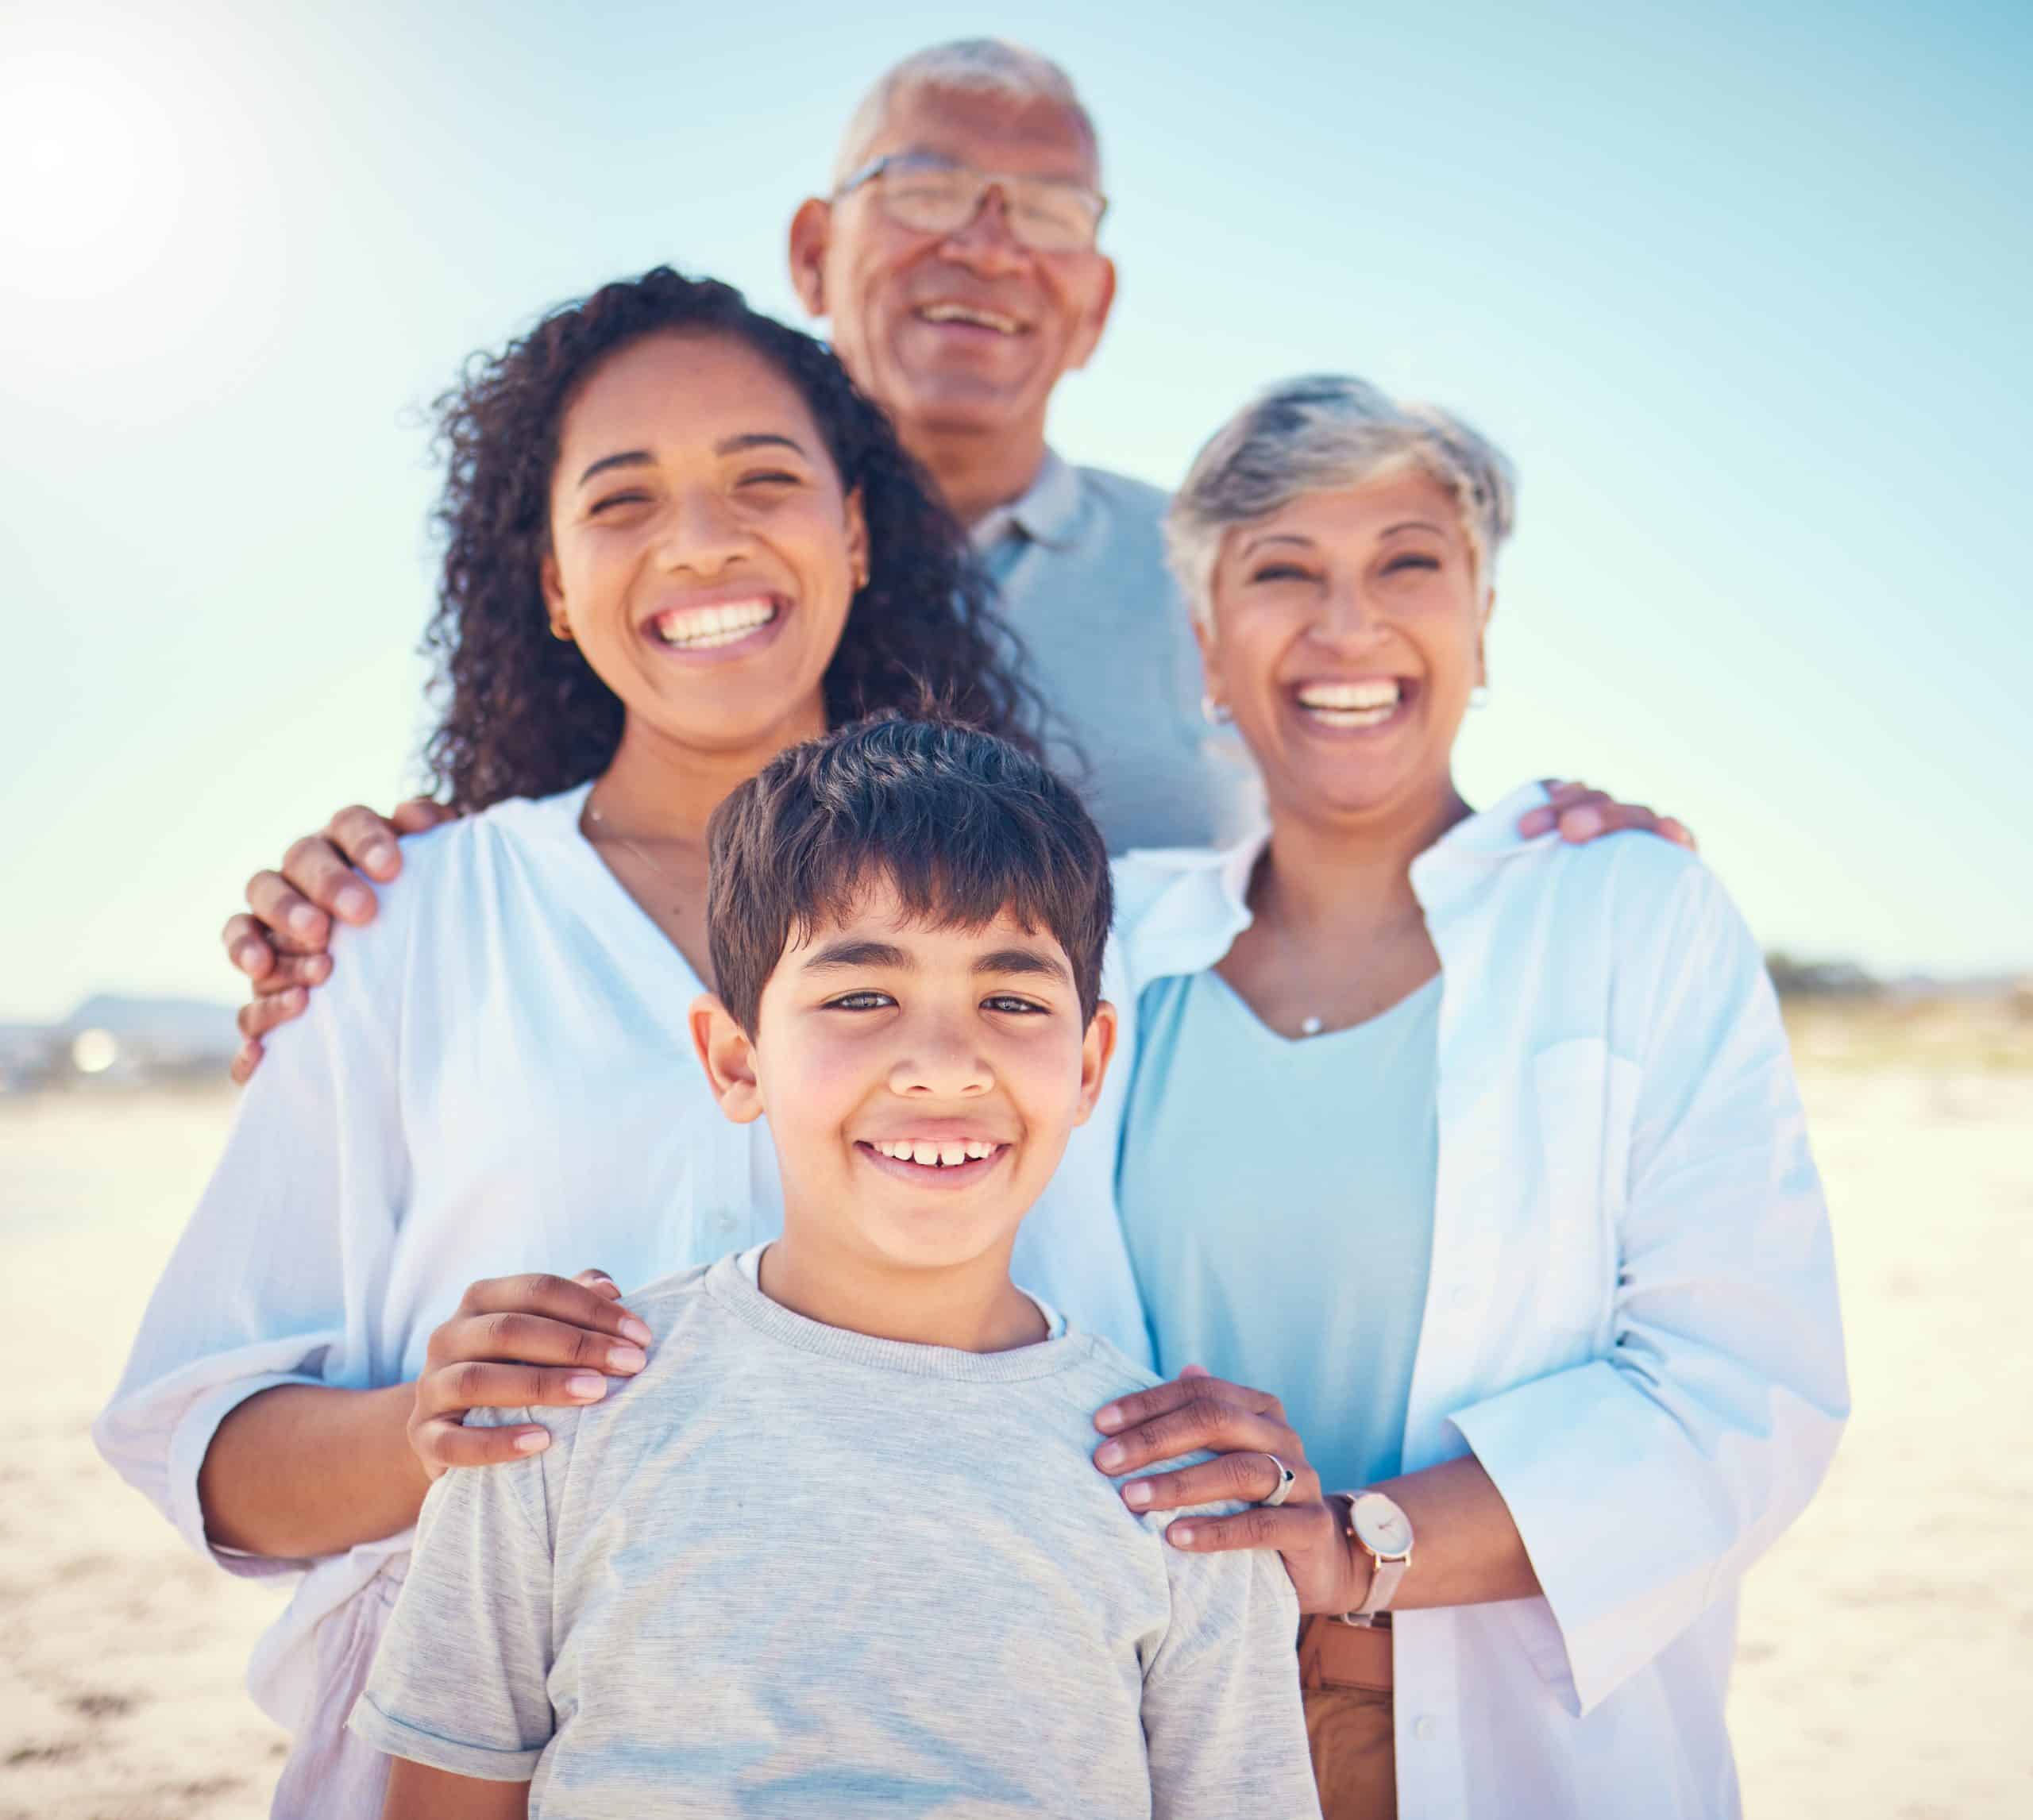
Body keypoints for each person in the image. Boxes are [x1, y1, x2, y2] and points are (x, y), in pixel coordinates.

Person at [94, 268, 1152, 1820]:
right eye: (622, 499)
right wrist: (423, 1428)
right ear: (547, 581)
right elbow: (203, 1444)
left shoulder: (1060, 917)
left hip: (976, 1730)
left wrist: (1589, 851)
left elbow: (1365, 898)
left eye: (763, 480)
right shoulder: (405, 925)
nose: (702, 540)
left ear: (856, 534)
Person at [218, 40, 1687, 1081]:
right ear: (814, 249)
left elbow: (1362, 808)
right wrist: (352, 900)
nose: (986, 248)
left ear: (1096, 302)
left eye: (1044, 215)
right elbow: (553, 884)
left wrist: (1546, 859)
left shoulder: (1230, 582)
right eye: (926, 190)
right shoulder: (679, 588)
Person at [1024, 376, 1849, 1817]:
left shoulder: (1628, 914)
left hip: (1507, 1754)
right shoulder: (1097, 951)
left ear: (1479, 622)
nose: (1349, 625)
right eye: (1282, 573)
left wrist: (1355, 1548)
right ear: (1209, 647)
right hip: (1149, 1752)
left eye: (1409, 563)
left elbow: (1740, 1390)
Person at [351, 713, 1324, 1818]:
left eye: (1011, 1000)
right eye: (862, 997)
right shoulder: (562, 1419)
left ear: (1091, 1062)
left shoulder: (1179, 1490)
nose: (944, 1066)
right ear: (735, 1057)